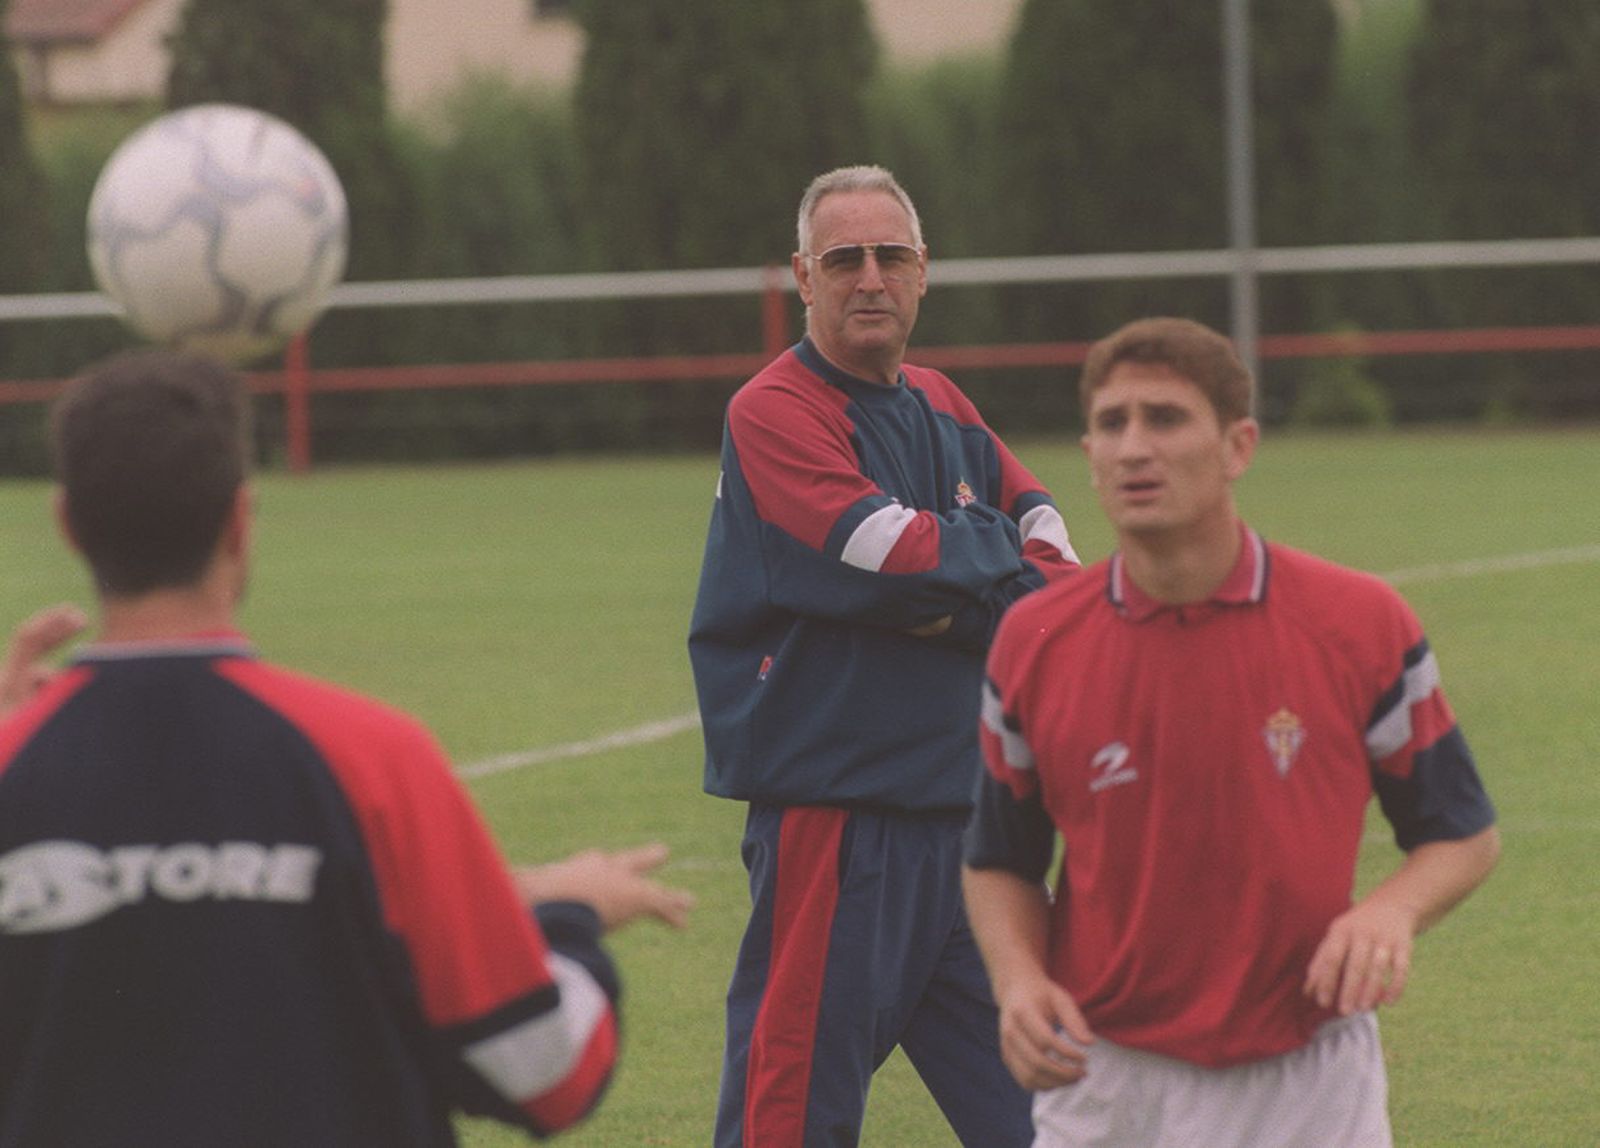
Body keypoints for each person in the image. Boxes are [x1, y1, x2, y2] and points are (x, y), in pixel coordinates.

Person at [0, 349, 692, 1146]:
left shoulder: (17, 765)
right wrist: (570, 917)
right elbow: (546, 1073)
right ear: (239, 520)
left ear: (67, 525)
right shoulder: (374, 758)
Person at [962, 316, 1501, 1147]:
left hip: (1307, 1078)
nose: (1135, 447)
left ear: (1237, 446)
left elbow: (1462, 834)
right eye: (1113, 423)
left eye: (1166, 419)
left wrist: (1390, 913)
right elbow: (1000, 858)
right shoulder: (1035, 640)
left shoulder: (1359, 623)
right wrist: (1018, 980)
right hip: (1104, 1082)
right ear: (1089, 452)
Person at [688, 164, 1082, 1147]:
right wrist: (975, 574)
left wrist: (948, 590)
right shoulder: (772, 410)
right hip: (839, 823)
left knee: (1063, 1112)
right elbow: (888, 557)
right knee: (789, 1122)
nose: (869, 277)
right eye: (843, 258)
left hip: (973, 830)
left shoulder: (944, 403)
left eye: (889, 254)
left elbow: (1061, 570)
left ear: (922, 271)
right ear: (803, 277)